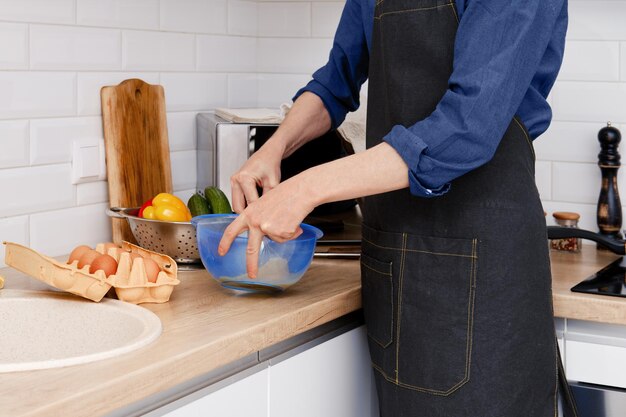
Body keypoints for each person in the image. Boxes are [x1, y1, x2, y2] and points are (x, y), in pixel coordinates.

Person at [219, 0, 577, 415]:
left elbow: (466, 127)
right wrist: (274, 148)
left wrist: (304, 189)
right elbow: (336, 80)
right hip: (396, 263)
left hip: (487, 271)